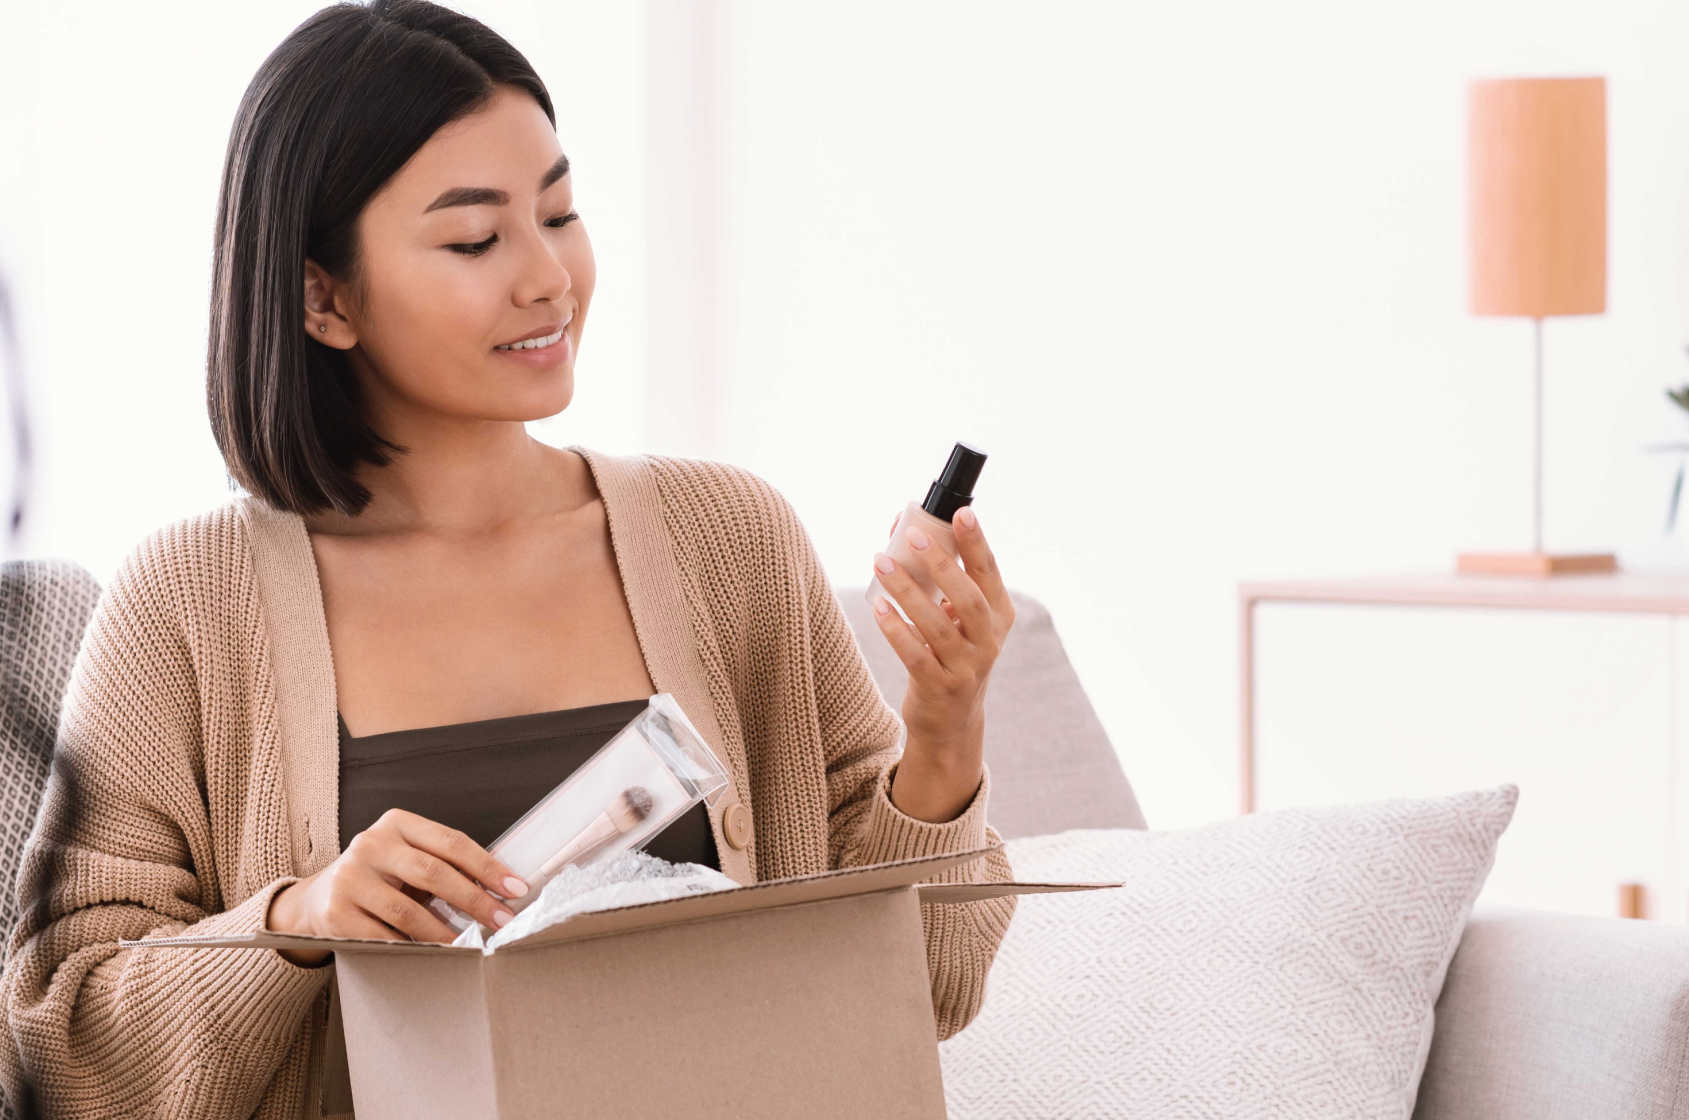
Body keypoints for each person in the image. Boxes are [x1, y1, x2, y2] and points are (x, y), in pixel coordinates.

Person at [0, 2, 1018, 1117]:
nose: (550, 278)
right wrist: (295, 920)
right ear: (323, 297)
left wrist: (944, 731)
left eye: (561, 213)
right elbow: (63, 1050)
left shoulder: (729, 535)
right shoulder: (188, 598)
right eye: (475, 241)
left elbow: (928, 987)